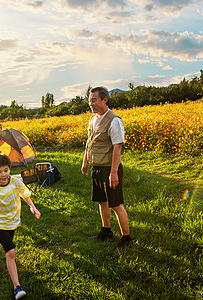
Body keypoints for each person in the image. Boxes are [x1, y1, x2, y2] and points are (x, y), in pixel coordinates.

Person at [81, 86, 132, 250]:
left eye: (94, 100)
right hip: (96, 167)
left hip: (110, 168)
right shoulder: (93, 118)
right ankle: (106, 230)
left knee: (116, 204)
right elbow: (89, 141)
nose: (91, 103)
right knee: (101, 201)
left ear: (105, 100)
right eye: (90, 100)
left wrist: (114, 173)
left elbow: (117, 147)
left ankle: (126, 238)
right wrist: (85, 161)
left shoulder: (114, 120)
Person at [0, 154, 41, 299]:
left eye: (6, 170)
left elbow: (25, 194)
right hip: (0, 223)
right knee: (10, 253)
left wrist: (33, 207)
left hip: (13, 222)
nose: (3, 174)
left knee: (10, 244)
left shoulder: (16, 182)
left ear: (10, 169)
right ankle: (17, 287)